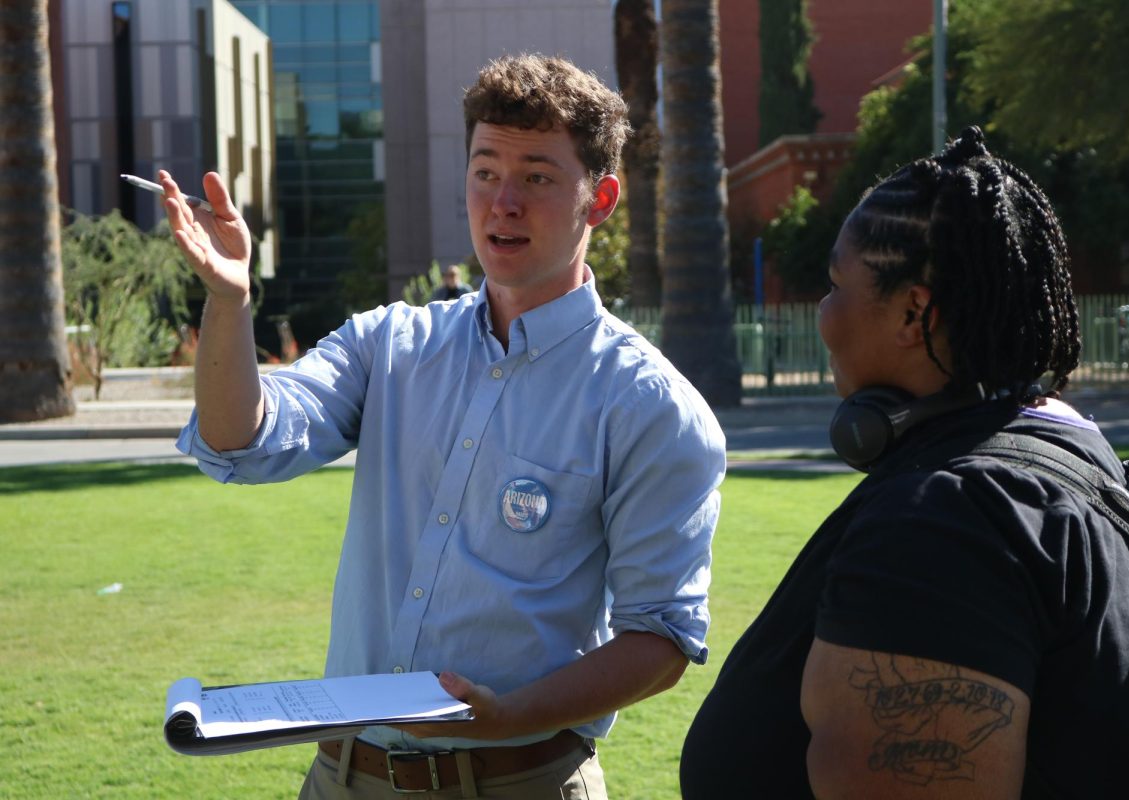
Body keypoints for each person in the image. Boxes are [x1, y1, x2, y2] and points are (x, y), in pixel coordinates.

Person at [162, 53, 725, 799]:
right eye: (485, 171)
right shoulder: (390, 344)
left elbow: (661, 638)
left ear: (601, 199)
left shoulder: (651, 405)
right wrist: (230, 305)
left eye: (537, 176)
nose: (503, 202)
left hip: (519, 780)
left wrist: (505, 717)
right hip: (342, 779)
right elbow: (242, 440)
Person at [679, 127, 1129, 799]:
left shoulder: (939, 529)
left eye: (835, 285)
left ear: (914, 313)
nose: (822, 312)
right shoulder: (1081, 468)